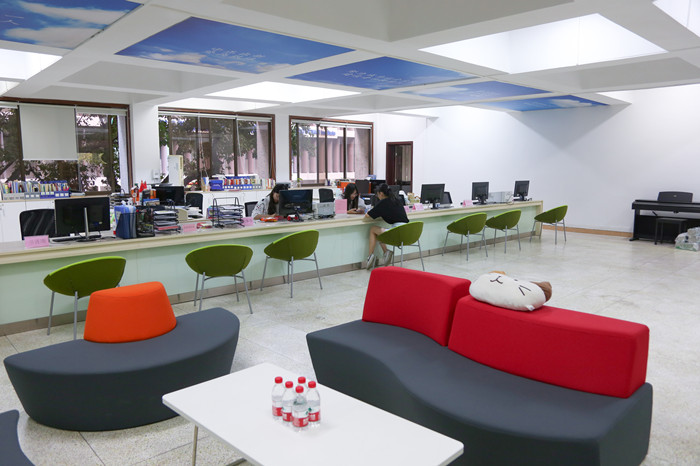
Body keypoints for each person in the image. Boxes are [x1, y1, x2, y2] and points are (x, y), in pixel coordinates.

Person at [364, 183, 409, 269]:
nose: (377, 197)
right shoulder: (397, 200)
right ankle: (386, 252)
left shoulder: (383, 203)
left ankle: (370, 256)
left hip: (397, 231)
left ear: (381, 193)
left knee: (373, 229)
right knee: (380, 232)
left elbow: (367, 216)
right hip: (406, 230)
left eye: (377, 194)